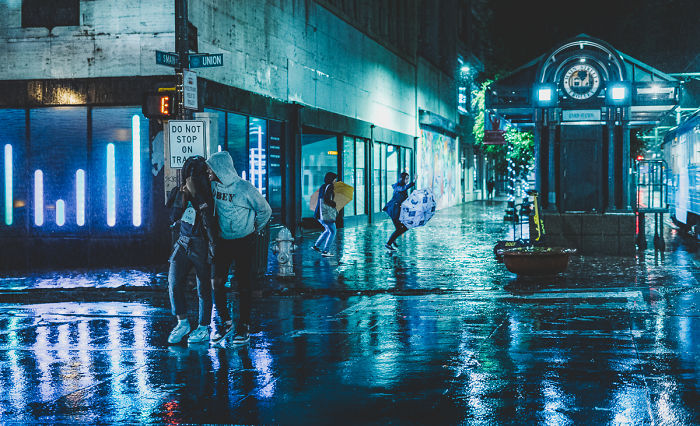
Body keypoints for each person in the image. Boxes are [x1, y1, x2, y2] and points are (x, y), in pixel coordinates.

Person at [206, 151, 272, 346]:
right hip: (224, 241)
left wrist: (254, 228)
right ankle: (226, 323)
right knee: (216, 282)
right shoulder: (212, 186)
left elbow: (265, 210)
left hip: (244, 241)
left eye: (211, 167)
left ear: (220, 168)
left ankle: (243, 326)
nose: (208, 171)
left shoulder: (245, 188)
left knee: (244, 285)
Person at [165, 156, 219, 345]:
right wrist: (182, 197)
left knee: (203, 287)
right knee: (173, 282)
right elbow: (172, 218)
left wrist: (198, 197)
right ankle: (182, 322)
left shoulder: (209, 193)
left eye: (196, 174)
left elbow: (210, 219)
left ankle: (203, 326)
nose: (191, 178)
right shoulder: (180, 192)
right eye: (189, 174)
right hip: (183, 241)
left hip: (202, 243)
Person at [383, 172, 415, 251]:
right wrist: (413, 182)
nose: (407, 180)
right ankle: (389, 243)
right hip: (394, 210)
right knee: (401, 228)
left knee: (401, 228)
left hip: (397, 210)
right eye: (406, 179)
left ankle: (392, 241)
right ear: (402, 179)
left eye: (408, 179)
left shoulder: (401, 186)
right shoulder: (398, 186)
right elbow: (403, 189)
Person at [311, 172, 338, 257]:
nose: (336, 180)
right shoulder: (330, 187)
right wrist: (334, 204)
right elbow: (326, 199)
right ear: (331, 179)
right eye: (335, 179)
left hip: (319, 213)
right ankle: (326, 251)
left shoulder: (323, 186)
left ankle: (316, 246)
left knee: (328, 230)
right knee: (333, 231)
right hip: (326, 214)